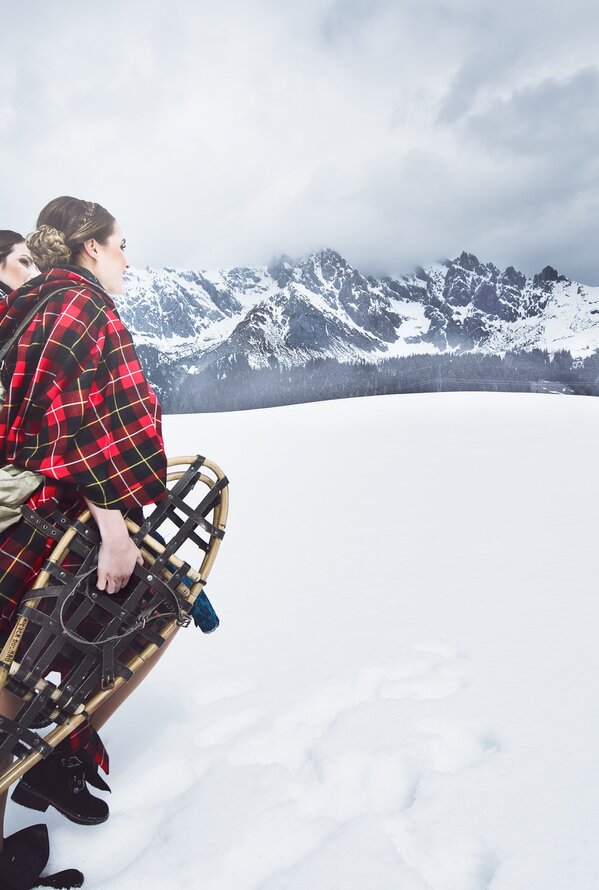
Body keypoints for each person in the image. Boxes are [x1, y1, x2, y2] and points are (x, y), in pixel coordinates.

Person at [0, 198, 168, 888]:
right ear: (90, 247)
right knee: (151, 612)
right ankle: (49, 761)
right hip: (44, 518)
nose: (128, 259)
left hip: (18, 516)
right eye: (121, 244)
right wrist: (115, 530)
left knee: (8, 671)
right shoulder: (80, 308)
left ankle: (46, 764)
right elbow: (84, 432)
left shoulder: (26, 305)